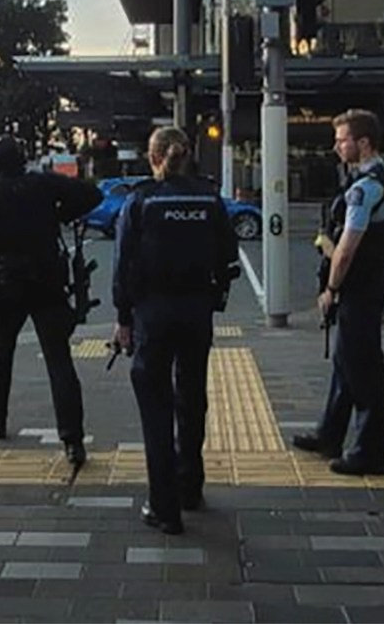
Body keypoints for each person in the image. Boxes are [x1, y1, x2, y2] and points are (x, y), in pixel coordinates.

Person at [112, 127, 238, 535]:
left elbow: (123, 264)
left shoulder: (141, 200)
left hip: (153, 313)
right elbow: (228, 258)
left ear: (153, 157)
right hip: (197, 312)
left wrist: (123, 317)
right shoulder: (209, 198)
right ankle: (190, 484)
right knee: (192, 397)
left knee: (155, 406)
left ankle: (163, 507)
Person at [0, 136, 101, 468]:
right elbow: (92, 194)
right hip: (47, 280)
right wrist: (60, 216)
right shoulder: (43, 184)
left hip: (5, 282)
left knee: (1, 351)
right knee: (59, 359)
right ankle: (73, 439)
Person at [292, 109, 384, 477]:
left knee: (363, 368)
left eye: (342, 140)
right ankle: (330, 433)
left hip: (358, 282)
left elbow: (346, 248)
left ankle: (369, 453)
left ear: (363, 143)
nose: (336, 146)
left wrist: (331, 287)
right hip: (374, 276)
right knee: (347, 359)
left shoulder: (364, 188)